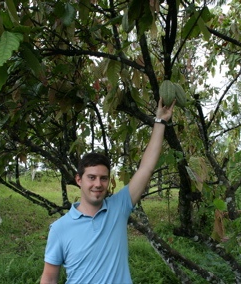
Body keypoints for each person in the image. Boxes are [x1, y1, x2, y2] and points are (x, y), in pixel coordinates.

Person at [40, 98, 176, 284]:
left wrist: (160, 122)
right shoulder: (59, 228)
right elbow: (49, 278)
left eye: (103, 178)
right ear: (78, 180)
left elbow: (146, 169)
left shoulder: (119, 207)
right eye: (91, 177)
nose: (98, 184)